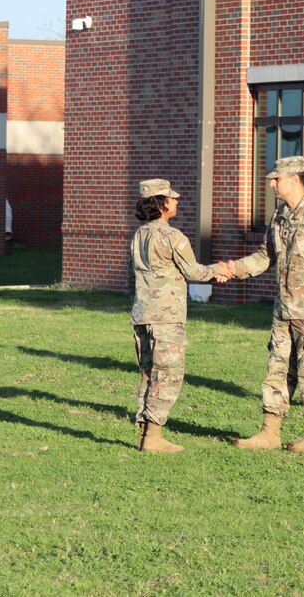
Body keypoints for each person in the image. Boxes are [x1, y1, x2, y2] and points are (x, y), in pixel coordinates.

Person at [224, 156, 304, 453]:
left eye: (277, 179)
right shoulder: (280, 215)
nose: (271, 184)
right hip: (284, 311)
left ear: (294, 179)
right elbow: (266, 256)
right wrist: (233, 268)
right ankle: (270, 432)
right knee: (276, 370)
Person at [131, 179, 230, 454]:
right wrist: (219, 269)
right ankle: (153, 437)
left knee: (150, 375)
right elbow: (194, 272)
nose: (177, 202)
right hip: (166, 317)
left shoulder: (140, 234)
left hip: (142, 313)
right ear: (162, 203)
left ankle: (145, 432)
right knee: (168, 375)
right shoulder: (173, 236)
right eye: (172, 198)